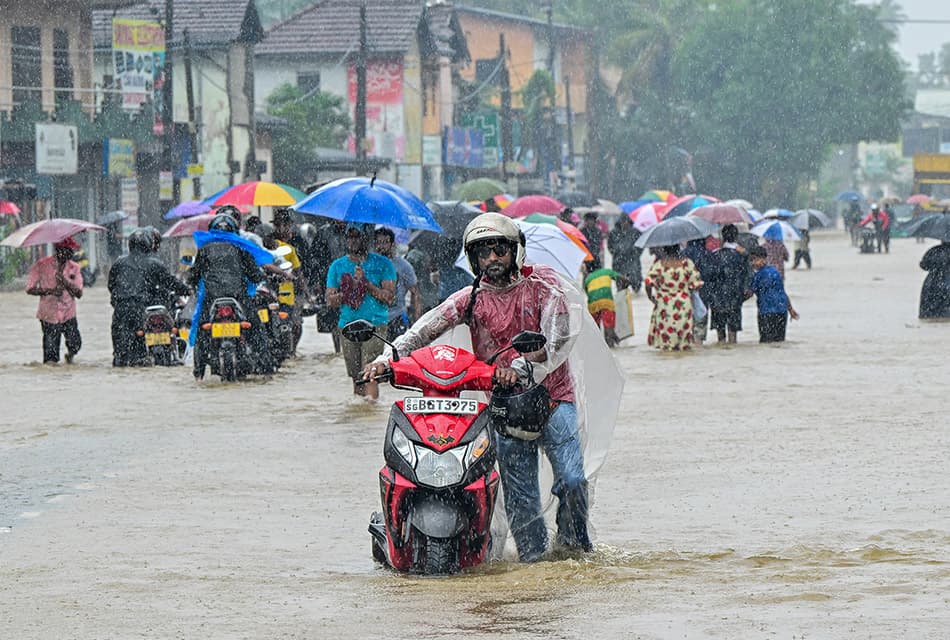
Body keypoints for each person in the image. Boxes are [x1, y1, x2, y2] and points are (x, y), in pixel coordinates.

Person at [363, 212, 594, 561]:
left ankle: (573, 548)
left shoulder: (545, 285)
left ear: (515, 251)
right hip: (504, 406)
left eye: (499, 250)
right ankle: (535, 569)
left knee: (573, 480)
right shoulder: (471, 298)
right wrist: (387, 357)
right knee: (522, 499)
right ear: (473, 260)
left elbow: (559, 337)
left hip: (553, 399)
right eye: (483, 253)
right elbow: (425, 328)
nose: (492, 259)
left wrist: (521, 365)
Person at [187, 213, 270, 380]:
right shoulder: (241, 248)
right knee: (257, 329)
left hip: (212, 299)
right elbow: (255, 275)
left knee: (202, 333)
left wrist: (192, 283)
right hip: (238, 297)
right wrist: (262, 278)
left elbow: (194, 276)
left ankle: (199, 373)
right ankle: (265, 369)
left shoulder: (204, 250)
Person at [325, 223, 396, 400]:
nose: (352, 241)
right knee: (357, 376)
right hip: (348, 325)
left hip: (375, 325)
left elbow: (389, 297)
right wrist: (350, 288)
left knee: (370, 373)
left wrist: (366, 283)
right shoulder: (337, 266)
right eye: (349, 237)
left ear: (366, 238)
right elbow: (330, 300)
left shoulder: (383, 264)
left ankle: (370, 413)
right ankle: (359, 417)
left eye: (357, 236)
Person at [108, 228, 189, 366]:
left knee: (120, 356)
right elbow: (172, 283)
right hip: (143, 310)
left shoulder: (118, 263)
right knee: (137, 355)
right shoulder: (155, 264)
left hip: (122, 310)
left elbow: (111, 286)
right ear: (148, 244)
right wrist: (187, 290)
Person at [26, 237, 84, 364]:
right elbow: (30, 288)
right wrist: (50, 291)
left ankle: (70, 356)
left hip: (68, 312)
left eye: (71, 250)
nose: (70, 253)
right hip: (49, 314)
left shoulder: (74, 267)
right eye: (67, 250)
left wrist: (65, 282)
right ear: (58, 250)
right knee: (51, 355)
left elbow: (79, 293)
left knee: (75, 344)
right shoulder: (42, 265)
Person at [644, 245, 702, 351]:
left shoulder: (659, 265)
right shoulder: (687, 263)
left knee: (666, 342)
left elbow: (648, 283)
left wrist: (650, 297)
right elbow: (696, 283)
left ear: (664, 250)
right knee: (684, 342)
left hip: (664, 305)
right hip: (683, 304)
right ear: (679, 249)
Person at [374, 227, 421, 340]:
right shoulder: (369, 266)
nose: (382, 246)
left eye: (386, 242)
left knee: (398, 354)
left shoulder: (404, 266)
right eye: (379, 242)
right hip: (375, 318)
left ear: (392, 244)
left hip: (397, 317)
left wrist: (417, 322)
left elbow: (415, 293)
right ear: (375, 245)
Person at [706, 224, 750, 344]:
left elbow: (709, 278)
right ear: (736, 237)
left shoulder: (714, 255)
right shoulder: (741, 256)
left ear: (723, 237)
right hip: (734, 298)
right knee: (733, 332)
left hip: (717, 299)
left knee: (720, 334)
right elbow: (747, 274)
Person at [746, 246, 799, 343]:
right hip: (781, 312)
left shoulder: (757, 276)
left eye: (755, 259)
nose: (753, 263)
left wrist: (736, 302)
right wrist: (791, 310)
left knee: (765, 342)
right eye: (751, 260)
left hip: (766, 313)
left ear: (764, 259)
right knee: (779, 341)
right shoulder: (775, 272)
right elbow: (782, 293)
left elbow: (749, 293)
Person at [582, 258, 629, 347]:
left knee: (595, 328)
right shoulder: (607, 272)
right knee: (608, 327)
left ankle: (598, 347)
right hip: (607, 302)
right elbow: (621, 279)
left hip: (593, 304)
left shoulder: (588, 278)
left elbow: (588, 292)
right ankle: (610, 345)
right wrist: (625, 285)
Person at [681, 236, 715, 344]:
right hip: (704, 291)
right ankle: (698, 343)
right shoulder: (708, 254)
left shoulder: (683, 255)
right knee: (700, 321)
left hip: (686, 293)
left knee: (687, 321)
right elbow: (711, 275)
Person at [607, 214, 643, 292]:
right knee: (620, 287)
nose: (624, 223)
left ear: (629, 222)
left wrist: (635, 253)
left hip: (633, 260)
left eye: (626, 221)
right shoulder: (614, 233)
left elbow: (641, 245)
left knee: (636, 282)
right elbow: (610, 246)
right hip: (618, 261)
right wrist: (617, 252)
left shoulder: (635, 232)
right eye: (622, 221)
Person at [918, 240, 950, 319]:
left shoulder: (933, 251)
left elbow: (924, 265)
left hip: (932, 283)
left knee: (929, 314)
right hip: (948, 284)